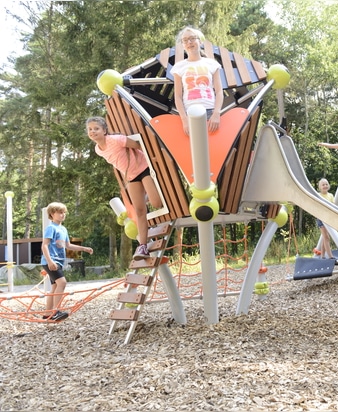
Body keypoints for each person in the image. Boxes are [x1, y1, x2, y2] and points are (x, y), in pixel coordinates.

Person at [86, 116, 163, 260]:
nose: (93, 131)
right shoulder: (98, 149)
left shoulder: (116, 140)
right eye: (90, 129)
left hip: (144, 168)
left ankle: (148, 195)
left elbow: (140, 146)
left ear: (104, 131)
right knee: (139, 210)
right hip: (131, 177)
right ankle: (143, 246)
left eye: (96, 128)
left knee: (157, 203)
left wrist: (155, 161)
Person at [41, 202, 93, 321]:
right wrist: (50, 261)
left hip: (58, 262)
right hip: (51, 261)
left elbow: (68, 245)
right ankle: (56, 312)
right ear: (52, 214)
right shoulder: (51, 228)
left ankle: (47, 314)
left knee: (54, 287)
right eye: (59, 212)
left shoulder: (63, 229)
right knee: (62, 283)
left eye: (64, 212)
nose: (62, 215)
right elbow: (44, 246)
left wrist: (83, 248)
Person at [170, 26, 224, 136]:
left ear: (200, 41)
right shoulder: (179, 67)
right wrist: (184, 120)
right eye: (185, 40)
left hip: (210, 112)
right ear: (183, 45)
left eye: (192, 38)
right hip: (190, 113)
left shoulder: (212, 64)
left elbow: (219, 91)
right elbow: (178, 96)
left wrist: (216, 113)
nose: (189, 42)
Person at [315, 178, 338, 265]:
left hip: (329, 218)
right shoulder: (318, 195)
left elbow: (333, 206)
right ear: (320, 187)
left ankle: (322, 256)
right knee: (326, 238)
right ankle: (330, 256)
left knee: (324, 237)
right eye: (323, 185)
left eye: (326, 184)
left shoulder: (330, 195)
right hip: (321, 218)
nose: (325, 186)